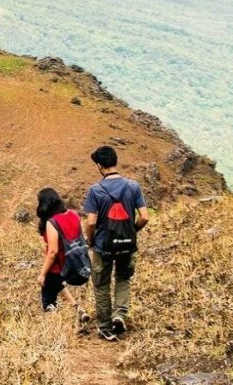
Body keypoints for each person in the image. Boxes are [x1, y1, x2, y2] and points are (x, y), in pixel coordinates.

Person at [84, 145, 149, 342]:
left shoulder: (95, 191)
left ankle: (105, 327)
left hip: (103, 247)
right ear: (115, 161)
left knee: (101, 285)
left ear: (99, 165)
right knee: (123, 279)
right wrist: (132, 231)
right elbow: (144, 217)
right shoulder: (133, 187)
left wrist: (91, 240)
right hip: (127, 245)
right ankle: (119, 314)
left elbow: (91, 222)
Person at [36, 188, 90, 323]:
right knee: (58, 285)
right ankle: (78, 310)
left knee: (48, 299)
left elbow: (53, 251)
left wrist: (42, 273)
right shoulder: (73, 214)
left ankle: (53, 326)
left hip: (58, 265)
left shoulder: (52, 222)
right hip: (74, 261)